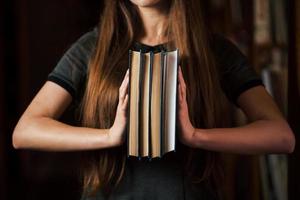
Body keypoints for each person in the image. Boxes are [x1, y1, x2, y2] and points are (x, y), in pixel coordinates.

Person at [12, 0, 295, 199]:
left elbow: (281, 137)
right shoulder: (93, 48)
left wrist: (196, 136)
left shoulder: (214, 50)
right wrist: (110, 136)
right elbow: (25, 132)